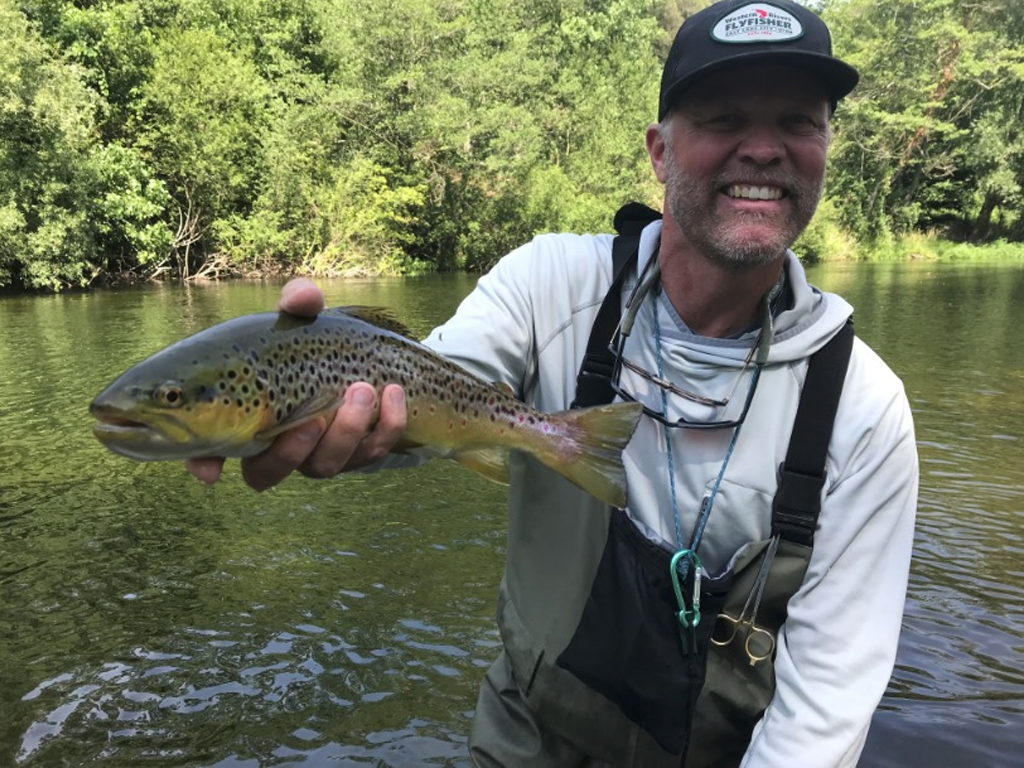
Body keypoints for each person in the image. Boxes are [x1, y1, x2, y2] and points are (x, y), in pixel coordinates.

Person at [187, 1, 918, 765]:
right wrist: (341, 401)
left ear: (828, 145)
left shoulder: (864, 409)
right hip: (528, 739)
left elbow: (826, 707)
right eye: (725, 117)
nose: (763, 150)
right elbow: (431, 394)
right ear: (659, 152)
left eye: (798, 122)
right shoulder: (548, 284)